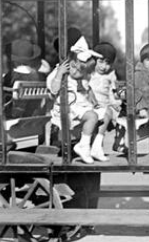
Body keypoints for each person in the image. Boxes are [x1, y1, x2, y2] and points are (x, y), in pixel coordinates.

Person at [46, 34, 112, 163]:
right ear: (70, 62)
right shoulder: (59, 72)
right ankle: (83, 146)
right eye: (76, 68)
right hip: (67, 108)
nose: (79, 73)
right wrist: (60, 74)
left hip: (81, 106)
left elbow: (88, 89)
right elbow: (53, 90)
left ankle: (96, 147)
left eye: (82, 70)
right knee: (92, 116)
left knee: (107, 113)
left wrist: (94, 100)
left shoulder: (82, 74)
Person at [3, 39, 47, 119]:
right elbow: (46, 68)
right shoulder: (39, 76)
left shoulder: (11, 77)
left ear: (14, 61)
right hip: (33, 115)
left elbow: (2, 92)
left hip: (13, 116)